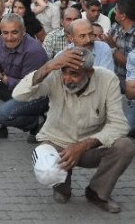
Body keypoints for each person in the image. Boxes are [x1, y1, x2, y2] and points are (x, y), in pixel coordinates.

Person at [13, 47, 134, 213]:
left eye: (74, 74)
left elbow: (120, 125)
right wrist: (48, 66)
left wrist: (83, 145)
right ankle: (62, 187)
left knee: (125, 146)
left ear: (89, 73)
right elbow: (18, 95)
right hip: (57, 143)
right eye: (64, 72)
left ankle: (97, 193)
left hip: (91, 147)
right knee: (48, 168)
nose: (67, 79)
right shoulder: (55, 75)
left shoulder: (107, 79)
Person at [0, 13, 48, 142]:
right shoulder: (1, 41)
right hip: (13, 87)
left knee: (3, 113)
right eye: (5, 33)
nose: (9, 38)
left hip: (36, 96)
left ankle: (37, 122)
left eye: (14, 33)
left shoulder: (33, 51)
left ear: (23, 32)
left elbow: (29, 87)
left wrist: (1, 78)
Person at [105, 0, 135, 91]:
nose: (114, 12)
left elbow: (132, 65)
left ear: (123, 16)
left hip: (129, 86)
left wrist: (113, 48)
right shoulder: (115, 27)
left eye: (116, 9)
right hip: (112, 79)